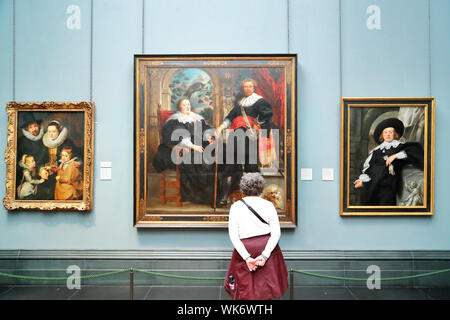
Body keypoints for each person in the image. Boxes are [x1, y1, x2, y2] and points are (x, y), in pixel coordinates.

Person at [223, 173, 288, 300]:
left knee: (244, 288)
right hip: (266, 246)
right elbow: (276, 234)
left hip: (245, 249)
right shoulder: (268, 205)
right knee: (266, 288)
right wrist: (264, 255)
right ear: (260, 187)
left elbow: (234, 236)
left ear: (243, 187)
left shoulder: (236, 207)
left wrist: (247, 258)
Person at [215, 78, 274, 206]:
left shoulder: (259, 101)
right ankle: (225, 196)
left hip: (249, 137)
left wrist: (257, 124)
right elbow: (229, 118)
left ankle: (255, 198)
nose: (247, 88)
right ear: (242, 89)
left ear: (254, 87)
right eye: (245, 86)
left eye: (250, 86)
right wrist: (220, 128)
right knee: (230, 166)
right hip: (235, 137)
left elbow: (267, 115)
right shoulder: (239, 104)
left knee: (251, 167)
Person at [153, 97, 216, 205]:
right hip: (184, 148)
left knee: (214, 156)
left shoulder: (197, 118)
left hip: (199, 146)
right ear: (179, 107)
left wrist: (210, 136)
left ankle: (212, 194)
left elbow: (205, 129)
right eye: (184, 105)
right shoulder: (175, 120)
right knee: (197, 160)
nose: (187, 107)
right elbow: (179, 136)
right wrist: (193, 146)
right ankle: (197, 196)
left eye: (188, 105)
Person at [353, 118, 424, 205]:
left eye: (390, 132)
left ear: (395, 134)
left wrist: (395, 156)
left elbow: (415, 151)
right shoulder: (376, 151)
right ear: (382, 135)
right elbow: (367, 167)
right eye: (385, 132)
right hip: (373, 184)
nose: (388, 134)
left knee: (386, 205)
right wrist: (362, 181)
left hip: (389, 184)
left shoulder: (399, 147)